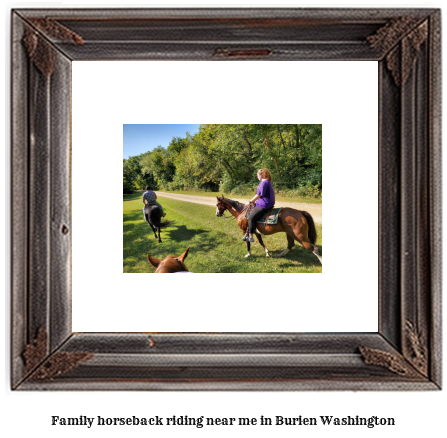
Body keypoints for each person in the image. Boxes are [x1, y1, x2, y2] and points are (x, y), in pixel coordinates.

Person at [243, 168, 275, 242]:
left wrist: (250, 202)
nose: (257, 177)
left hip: (265, 205)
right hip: (269, 203)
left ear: (261, 175)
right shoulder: (268, 182)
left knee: (250, 218)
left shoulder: (263, 183)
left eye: (257, 175)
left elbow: (259, 195)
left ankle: (250, 236)